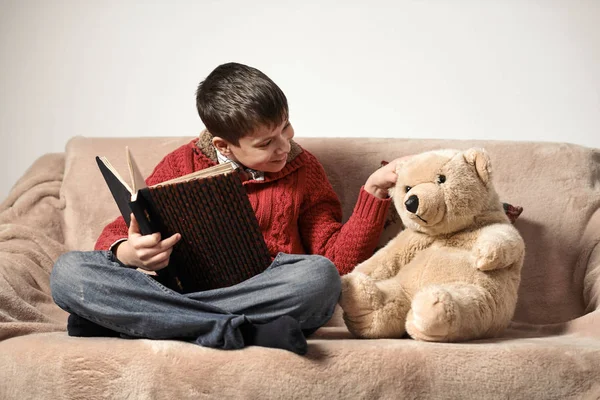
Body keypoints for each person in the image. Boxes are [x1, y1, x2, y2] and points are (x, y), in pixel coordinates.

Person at [50, 62, 400, 355]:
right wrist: (129, 252)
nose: (284, 146)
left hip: (265, 291)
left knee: (319, 279)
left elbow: (336, 262)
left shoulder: (304, 169)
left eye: (286, 127)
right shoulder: (181, 163)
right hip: (187, 290)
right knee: (68, 272)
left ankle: (145, 320)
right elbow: (116, 231)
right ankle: (238, 330)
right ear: (225, 146)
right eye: (266, 143)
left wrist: (373, 194)